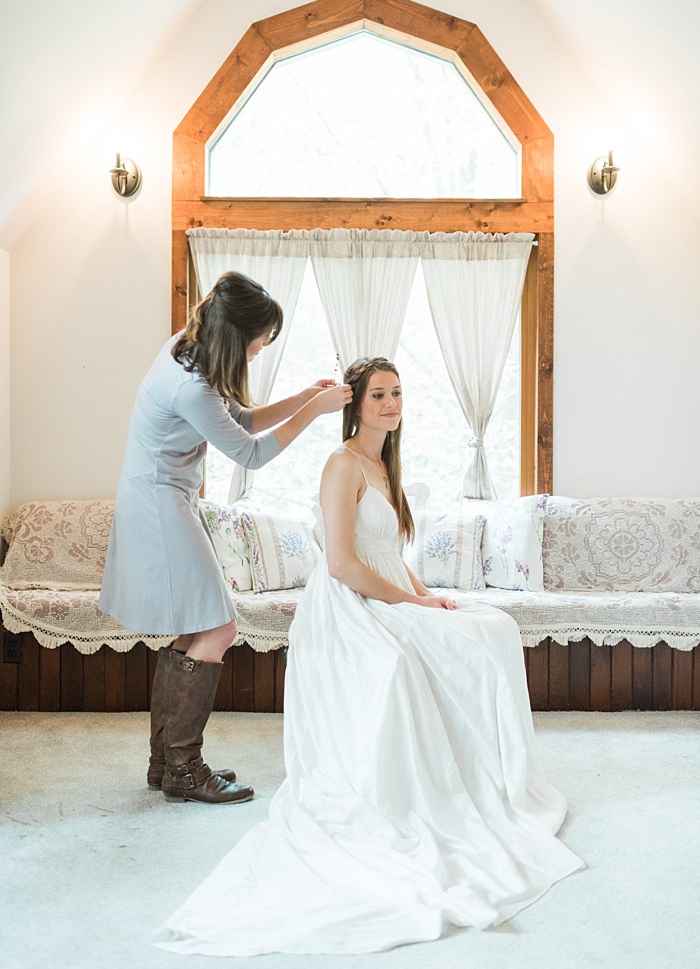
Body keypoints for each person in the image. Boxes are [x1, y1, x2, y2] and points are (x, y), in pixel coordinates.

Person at [156, 356, 583, 955]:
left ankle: (496, 784)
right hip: (346, 607)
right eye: (378, 394)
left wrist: (425, 596)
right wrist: (410, 605)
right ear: (354, 404)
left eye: (397, 393)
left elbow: (385, 552)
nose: (391, 403)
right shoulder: (342, 464)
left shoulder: (386, 464)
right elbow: (342, 564)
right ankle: (427, 793)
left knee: (492, 630)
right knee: (400, 666)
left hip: (386, 591)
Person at [98, 271, 351, 806]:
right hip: (158, 503)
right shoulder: (190, 386)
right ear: (238, 336)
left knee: (194, 630)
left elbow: (242, 419)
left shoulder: (187, 354)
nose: (261, 351)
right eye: (262, 340)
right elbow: (251, 454)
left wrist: (304, 396)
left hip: (164, 498)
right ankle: (184, 769)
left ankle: (168, 762)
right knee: (219, 627)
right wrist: (315, 411)